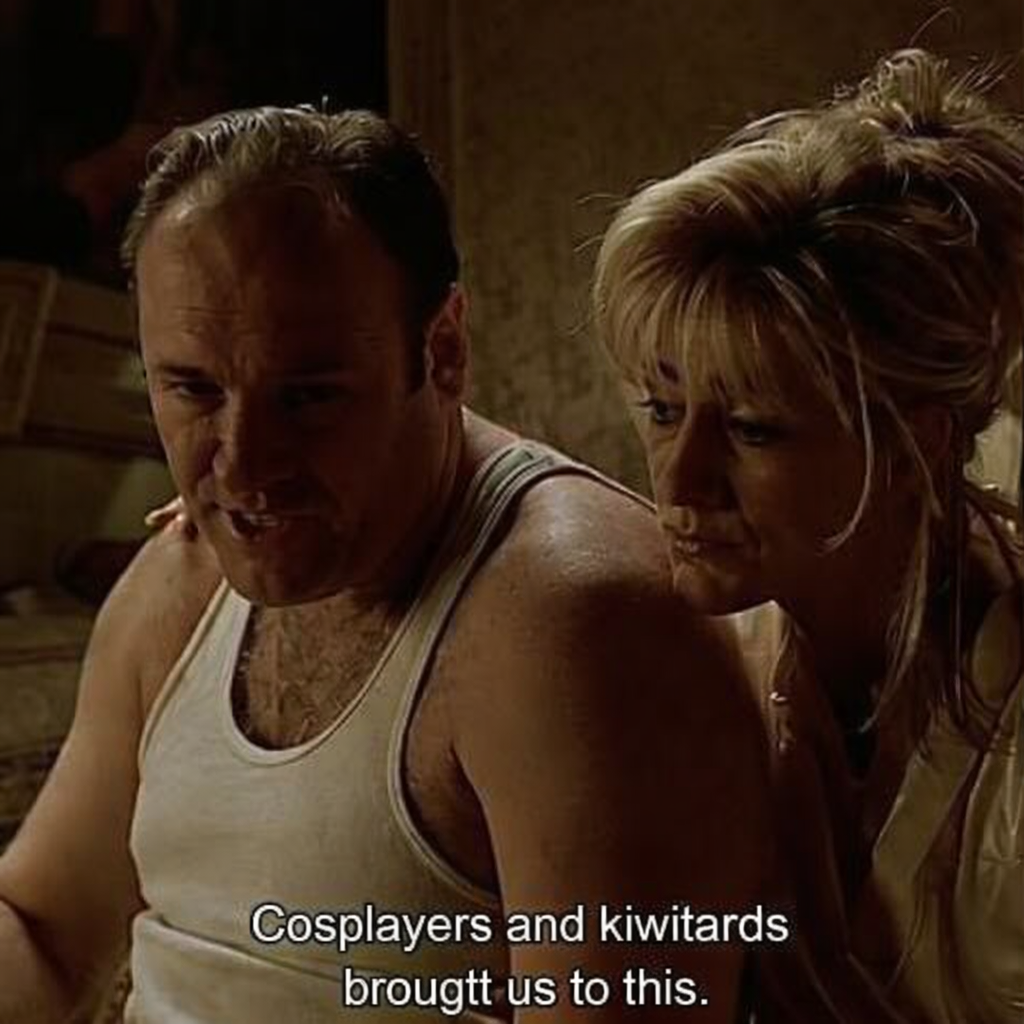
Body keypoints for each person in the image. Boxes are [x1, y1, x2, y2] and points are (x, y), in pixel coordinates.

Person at [0, 106, 769, 1023]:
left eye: (308, 398)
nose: (241, 467)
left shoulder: (577, 623)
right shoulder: (181, 581)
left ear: (441, 350)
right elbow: (43, 930)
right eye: (193, 389)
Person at [592, 49, 1024, 1024]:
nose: (681, 479)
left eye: (752, 429)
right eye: (661, 410)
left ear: (911, 444)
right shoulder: (706, 659)